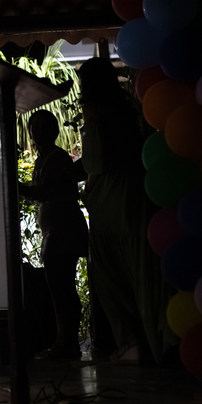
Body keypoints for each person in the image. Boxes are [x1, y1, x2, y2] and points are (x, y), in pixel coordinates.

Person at [77, 58, 173, 364]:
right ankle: (160, 340)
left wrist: (88, 193)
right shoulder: (129, 111)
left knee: (108, 272)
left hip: (110, 197)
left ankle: (131, 342)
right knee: (143, 270)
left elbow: (95, 164)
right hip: (137, 192)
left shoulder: (95, 113)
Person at [19, 111, 89, 359]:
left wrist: (15, 186)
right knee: (58, 286)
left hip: (63, 229)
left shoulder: (57, 157)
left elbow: (44, 192)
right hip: (53, 230)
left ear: (55, 130)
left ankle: (66, 342)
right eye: (34, 126)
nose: (38, 131)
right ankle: (65, 341)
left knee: (62, 287)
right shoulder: (42, 159)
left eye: (43, 126)